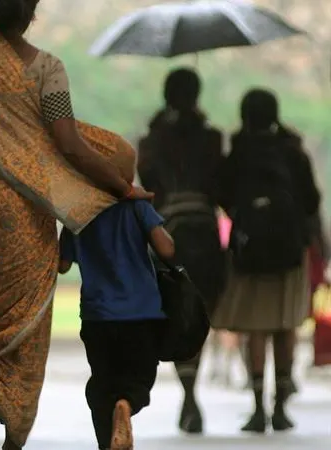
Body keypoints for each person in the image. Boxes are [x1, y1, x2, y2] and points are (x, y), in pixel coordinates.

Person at [0, 1, 154, 448]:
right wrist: (122, 189)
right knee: (23, 320)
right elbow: (69, 144)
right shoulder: (47, 68)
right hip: (21, 207)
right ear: (33, 11)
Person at [213, 88, 321, 433]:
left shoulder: (238, 154)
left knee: (256, 329)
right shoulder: (293, 151)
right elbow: (312, 201)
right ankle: (281, 408)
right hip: (289, 253)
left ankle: (258, 406)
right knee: (284, 326)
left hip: (250, 255)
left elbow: (223, 197)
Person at [59, 139, 173, 450]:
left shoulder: (79, 211)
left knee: (102, 381)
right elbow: (166, 249)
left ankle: (106, 440)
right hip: (142, 312)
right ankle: (127, 405)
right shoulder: (137, 205)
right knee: (138, 377)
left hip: (98, 315)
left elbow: (62, 265)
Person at [137, 67, 226, 434]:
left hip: (169, 232)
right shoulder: (212, 138)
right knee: (201, 306)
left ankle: (189, 394)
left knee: (180, 307)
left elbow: (149, 185)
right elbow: (220, 186)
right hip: (205, 230)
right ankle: (193, 390)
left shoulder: (152, 140)